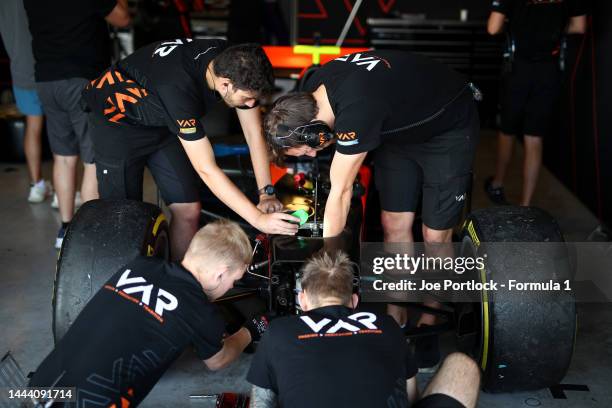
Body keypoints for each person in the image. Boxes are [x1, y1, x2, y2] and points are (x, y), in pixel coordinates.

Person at [263, 49, 480, 357]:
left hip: (446, 127)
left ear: (313, 130)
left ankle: (431, 316)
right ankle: (397, 312)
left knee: (434, 235)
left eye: (308, 150)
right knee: (394, 225)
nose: (312, 156)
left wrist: (329, 263)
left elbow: (340, 191)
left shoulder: (356, 110)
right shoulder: (313, 88)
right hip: (397, 128)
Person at [82, 39, 299, 261]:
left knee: (188, 210)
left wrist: (266, 193)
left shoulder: (236, 60)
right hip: (116, 124)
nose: (251, 104)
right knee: (124, 219)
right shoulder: (178, 88)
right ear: (225, 84)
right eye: (246, 98)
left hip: (161, 120)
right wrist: (257, 219)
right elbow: (206, 169)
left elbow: (254, 135)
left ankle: (178, 281)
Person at [29, 219, 271, 407]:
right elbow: (218, 360)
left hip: (40, 384)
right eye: (234, 279)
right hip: (93, 401)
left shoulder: (140, 265)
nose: (230, 287)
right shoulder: (200, 310)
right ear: (221, 272)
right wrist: (252, 329)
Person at [247, 251, 419, 407]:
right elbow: (410, 396)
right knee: (448, 366)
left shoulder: (278, 331)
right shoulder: (388, 325)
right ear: (354, 301)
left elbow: (261, 403)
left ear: (302, 299)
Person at [23, 0, 131, 249]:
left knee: (63, 157)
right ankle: (88, 232)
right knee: (92, 160)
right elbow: (122, 18)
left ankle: (66, 229)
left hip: (47, 80)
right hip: (83, 80)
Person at [484, 0, 588, 206]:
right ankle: (526, 205)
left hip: (518, 69)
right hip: (548, 69)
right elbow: (579, 26)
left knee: (507, 130)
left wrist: (516, 24)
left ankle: (497, 184)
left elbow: (493, 27)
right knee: (534, 137)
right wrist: (554, 27)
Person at [0, 0, 47, 203]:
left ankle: (36, 185)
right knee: (61, 127)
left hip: (20, 67)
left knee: (33, 124)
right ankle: (68, 191)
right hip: (51, 65)